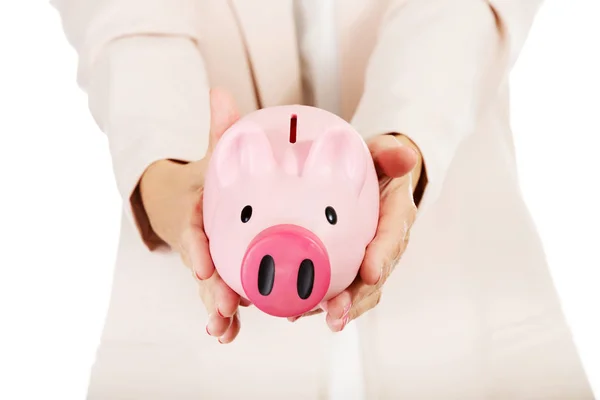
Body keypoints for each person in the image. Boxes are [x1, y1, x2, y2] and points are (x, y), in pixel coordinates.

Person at [52, 0, 593, 398]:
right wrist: (166, 173)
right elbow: (127, 20)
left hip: (467, 306)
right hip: (186, 350)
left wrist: (407, 136)